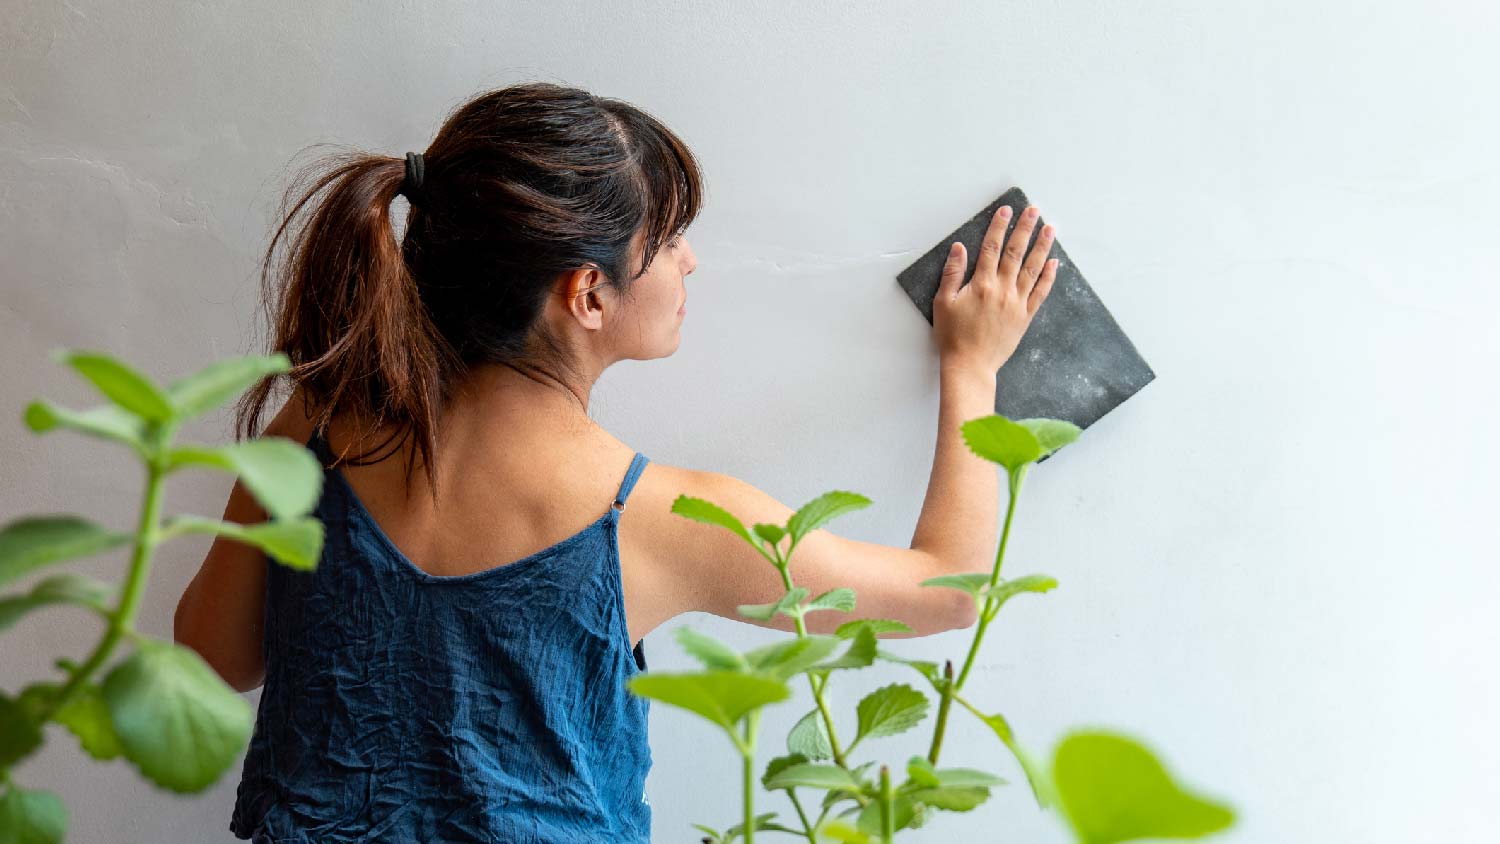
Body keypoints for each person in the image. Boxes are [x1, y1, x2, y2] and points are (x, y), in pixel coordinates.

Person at [174, 80, 1058, 844]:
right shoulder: (655, 519)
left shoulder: (317, 424)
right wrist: (970, 366)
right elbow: (947, 593)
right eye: (670, 240)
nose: (690, 261)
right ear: (588, 294)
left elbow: (212, 656)